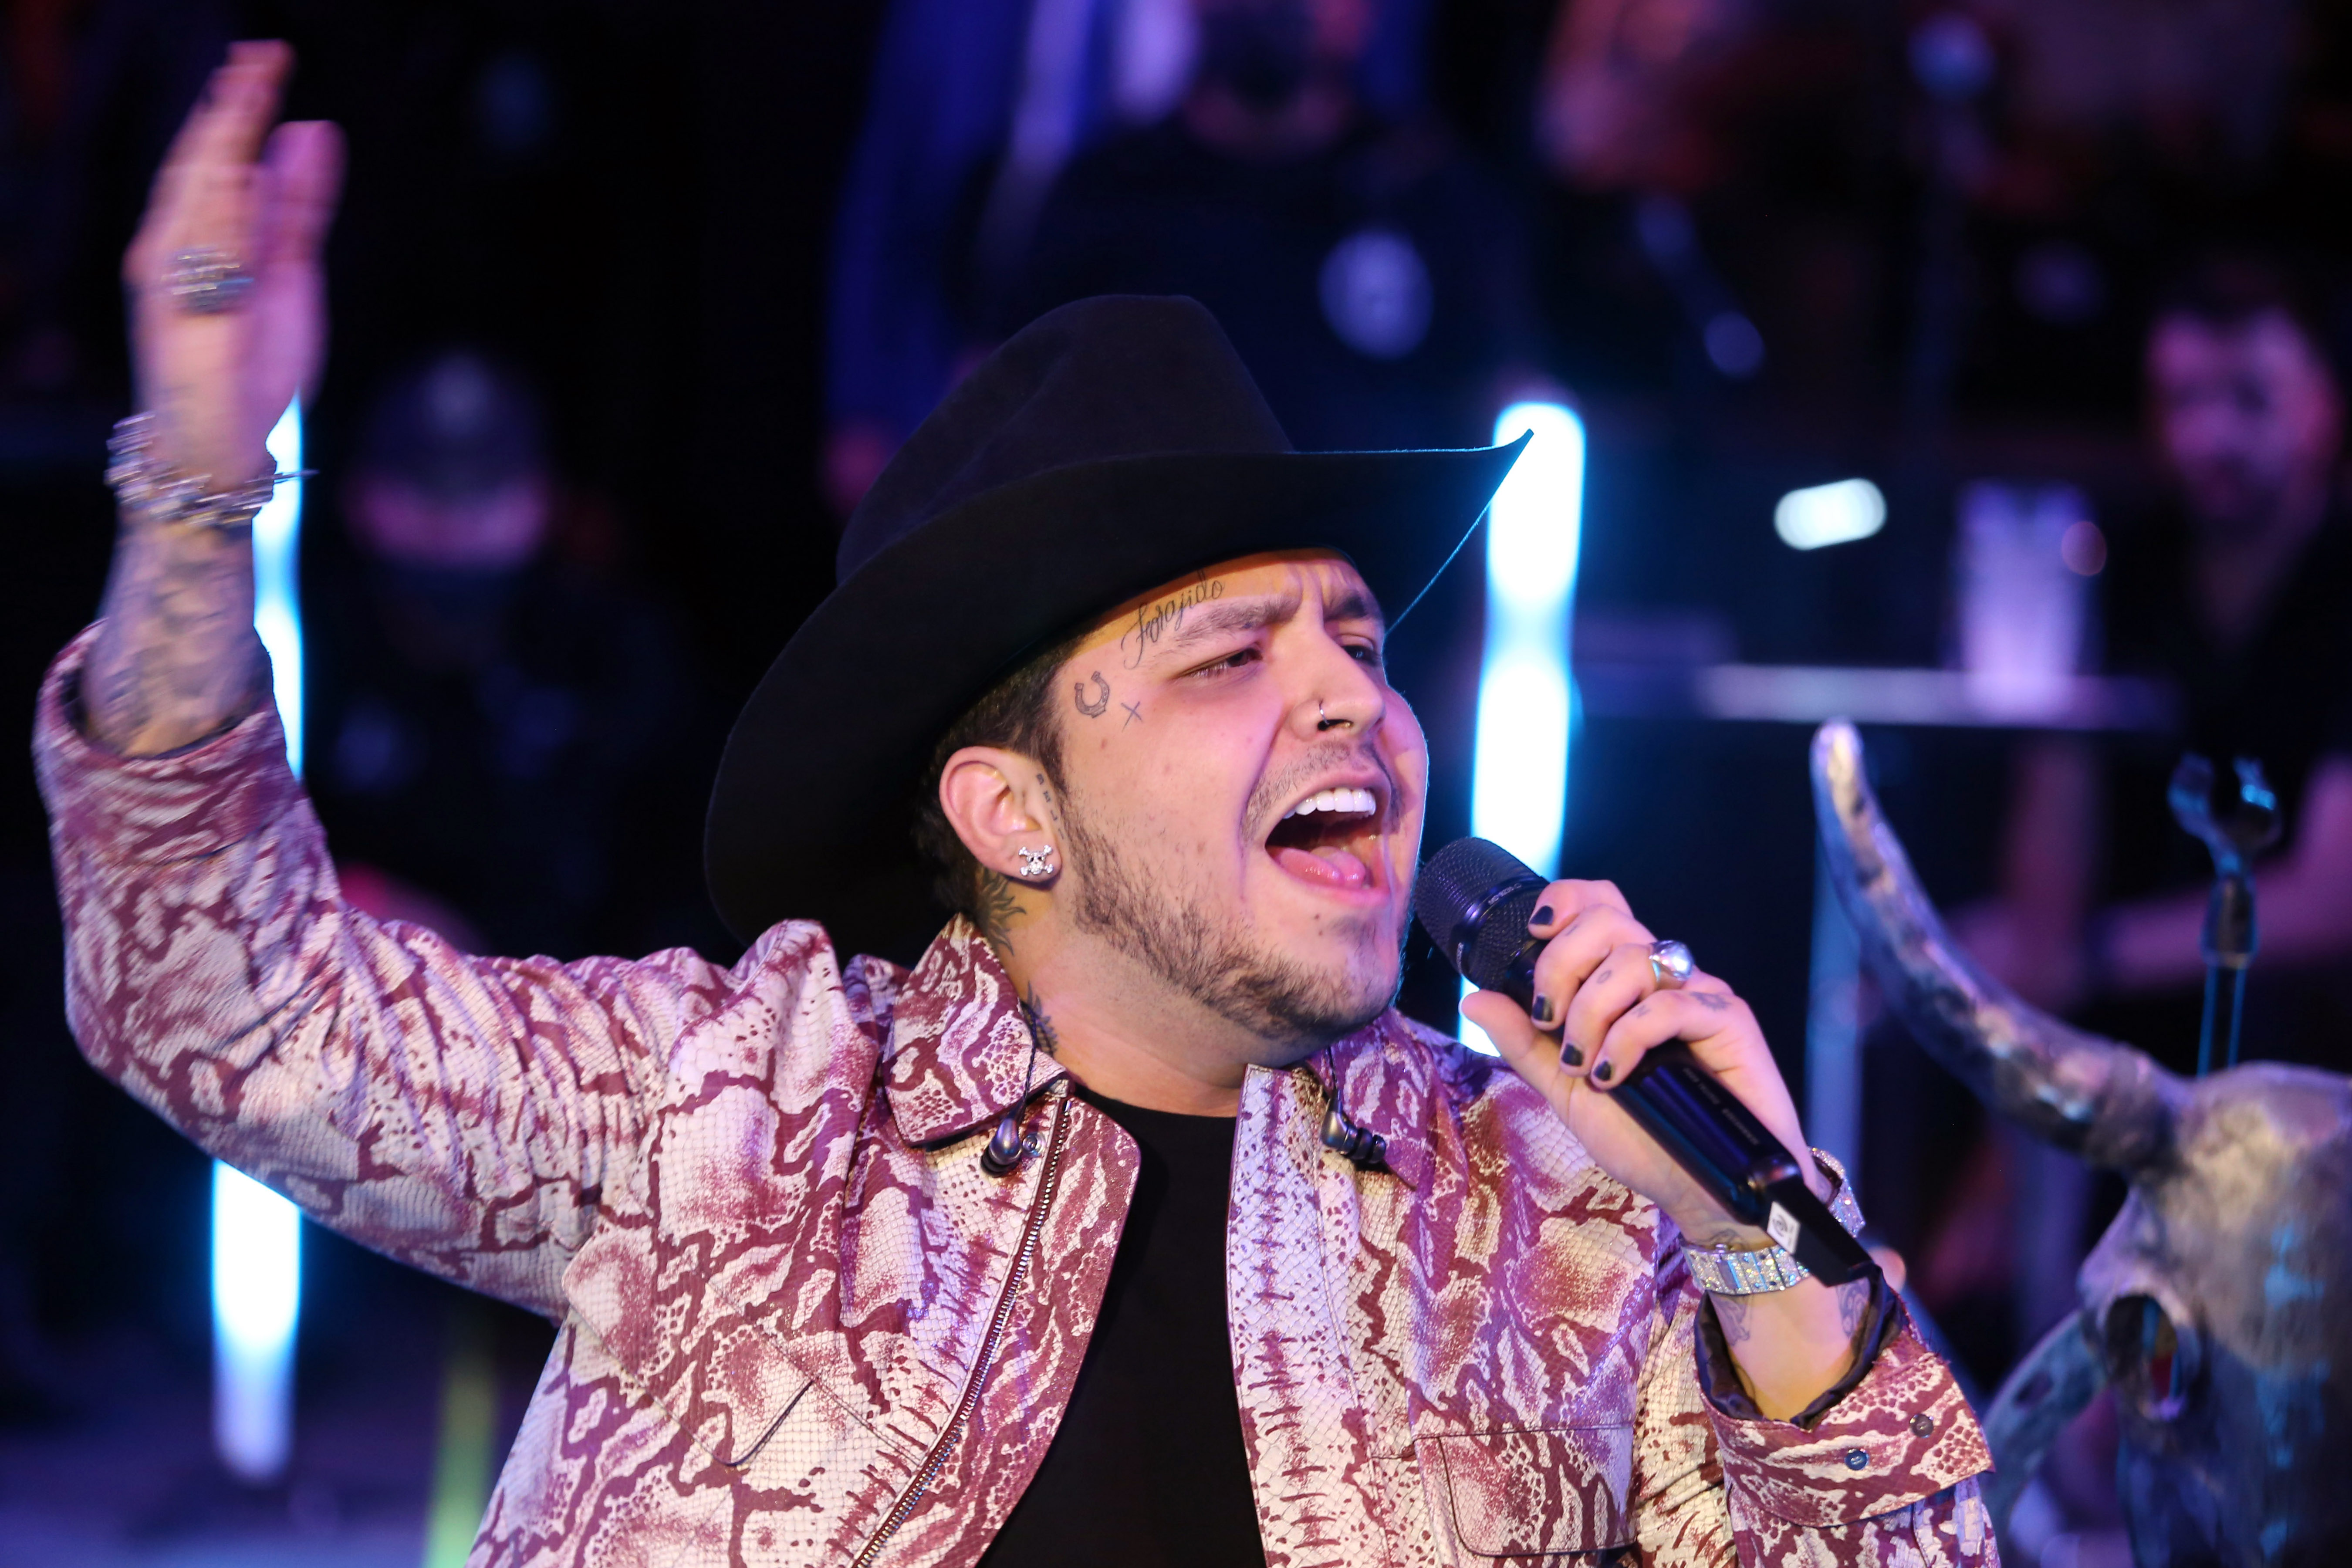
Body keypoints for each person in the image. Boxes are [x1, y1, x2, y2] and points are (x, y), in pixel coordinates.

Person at [41, 42, 1992, 1564]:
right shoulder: (737, 1114)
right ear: (1011, 809)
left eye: (1358, 643)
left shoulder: (1559, 1204)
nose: (1351, 695)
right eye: (1232, 655)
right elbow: (227, 1001)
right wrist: (196, 492)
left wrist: (1758, 1229)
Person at [1966, 258, 2352, 1075]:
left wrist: (2093, 954)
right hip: (2133, 1052)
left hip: (2315, 1072)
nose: (2210, 436)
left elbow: (2334, 898)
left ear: (2325, 405)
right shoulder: (2129, 570)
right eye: (2183, 401)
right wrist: (2039, 956)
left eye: (2251, 399)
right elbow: (2052, 832)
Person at [998, 0, 1541, 454]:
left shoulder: (1435, 197)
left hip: (1387, 577)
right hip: (1151, 577)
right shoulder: (1105, 193)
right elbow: (1006, 422)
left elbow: (1499, 423)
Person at [304, 348, 698, 960]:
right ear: (362, 498)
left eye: (485, 496)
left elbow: (685, 869)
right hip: (371, 1003)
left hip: (588, 1014)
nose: (454, 528)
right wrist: (359, 897)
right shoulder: (303, 647)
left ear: (542, 501)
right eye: (424, 495)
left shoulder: (611, 649)